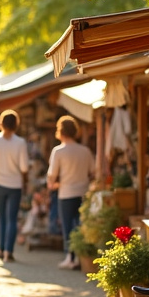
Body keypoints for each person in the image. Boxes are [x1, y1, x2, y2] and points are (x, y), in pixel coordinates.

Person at [48, 115, 95, 269]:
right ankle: (80, 256)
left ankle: (70, 257)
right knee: (81, 226)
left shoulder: (58, 151)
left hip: (66, 193)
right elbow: (93, 172)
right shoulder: (85, 151)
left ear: (60, 131)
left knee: (68, 226)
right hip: (83, 192)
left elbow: (52, 175)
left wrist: (52, 184)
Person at [0, 109, 29, 262]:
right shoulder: (20, 143)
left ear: (1, 123)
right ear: (16, 124)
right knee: (11, 218)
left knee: (1, 217)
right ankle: (8, 251)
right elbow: (24, 167)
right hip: (15, 184)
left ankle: (0, 247)